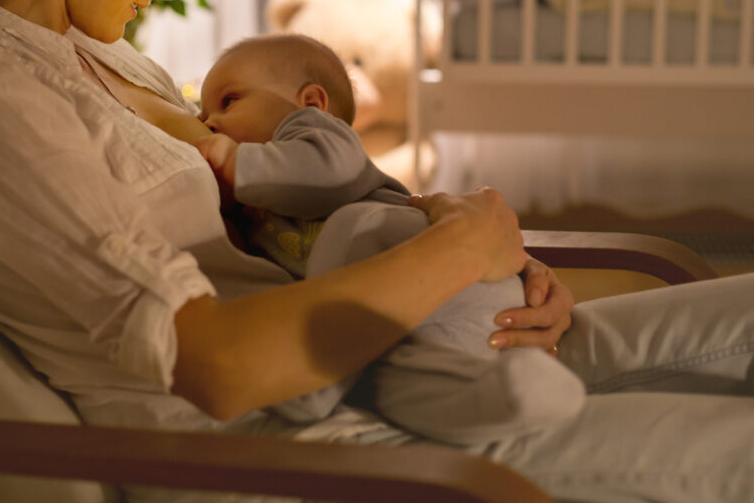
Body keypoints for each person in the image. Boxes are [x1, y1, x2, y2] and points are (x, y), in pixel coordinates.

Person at [0, 0, 752, 503]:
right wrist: (456, 253)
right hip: (306, 440)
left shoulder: (99, 54)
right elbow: (219, 368)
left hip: (384, 352)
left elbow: (277, 222)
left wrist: (463, 249)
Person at [192, 32, 586, 444]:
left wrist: (239, 163)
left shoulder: (315, 133)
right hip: (423, 317)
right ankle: (515, 395)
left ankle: (312, 382)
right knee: (388, 381)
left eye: (228, 101)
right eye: (202, 115)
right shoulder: (257, 206)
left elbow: (328, 171)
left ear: (311, 102)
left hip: (435, 264)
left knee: (349, 228)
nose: (209, 123)